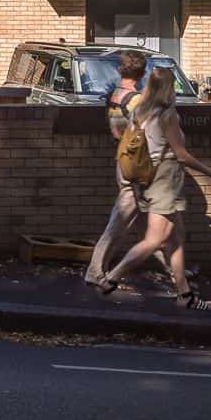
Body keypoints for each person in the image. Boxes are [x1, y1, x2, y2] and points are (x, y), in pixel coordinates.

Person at [96, 69, 211, 307]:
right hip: (164, 181)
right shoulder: (168, 115)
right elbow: (181, 155)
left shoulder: (139, 110)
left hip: (148, 178)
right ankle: (111, 278)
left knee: (176, 237)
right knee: (155, 239)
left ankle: (184, 295)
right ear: (168, 87)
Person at [84, 49, 149, 287]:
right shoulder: (135, 100)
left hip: (122, 158)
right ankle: (94, 269)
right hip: (135, 164)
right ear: (141, 73)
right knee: (120, 221)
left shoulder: (113, 95)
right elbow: (149, 131)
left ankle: (178, 270)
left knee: (152, 226)